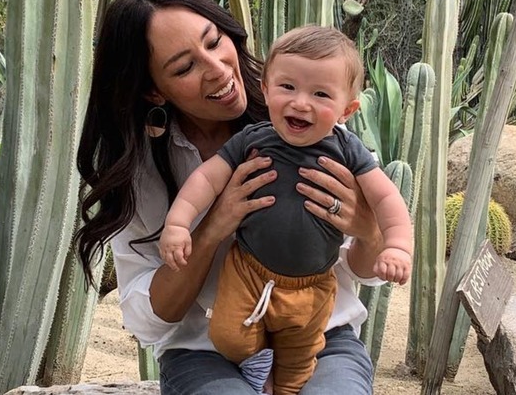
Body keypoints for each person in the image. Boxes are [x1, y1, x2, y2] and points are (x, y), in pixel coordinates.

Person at [75, 0, 405, 395]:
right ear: (153, 89)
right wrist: (211, 227)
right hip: (204, 351)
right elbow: (148, 319)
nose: (216, 69)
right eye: (184, 67)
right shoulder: (139, 172)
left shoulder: (309, 121)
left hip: (319, 337)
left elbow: (362, 272)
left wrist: (368, 230)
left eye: (213, 43)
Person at [159, 25, 413, 394]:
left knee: (298, 364)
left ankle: (282, 383)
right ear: (265, 88)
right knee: (229, 336)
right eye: (287, 87)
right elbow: (205, 180)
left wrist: (396, 245)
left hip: (312, 288)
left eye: (321, 94)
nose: (300, 102)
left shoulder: (349, 151)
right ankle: (257, 364)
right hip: (248, 272)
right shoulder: (253, 139)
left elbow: (387, 198)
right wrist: (179, 224)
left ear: (347, 109)